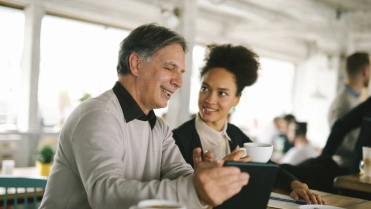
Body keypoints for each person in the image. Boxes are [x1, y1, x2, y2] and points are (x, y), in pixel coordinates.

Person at [39, 24, 249, 209]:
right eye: (169, 68)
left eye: (181, 73)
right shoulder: (98, 116)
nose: (178, 82)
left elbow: (179, 174)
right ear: (136, 64)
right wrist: (195, 189)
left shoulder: (159, 127)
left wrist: (207, 176)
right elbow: (105, 196)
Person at [173, 44, 325, 204]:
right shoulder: (178, 140)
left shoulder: (235, 134)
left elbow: (266, 165)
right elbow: (177, 192)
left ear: (236, 99)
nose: (210, 99)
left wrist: (296, 184)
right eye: (205, 88)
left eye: (222, 93)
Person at [281, 97, 371, 193]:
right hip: (357, 172)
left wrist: (325, 157)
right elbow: (341, 125)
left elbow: (341, 125)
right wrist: (325, 157)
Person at [327, 52, 370, 168]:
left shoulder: (353, 100)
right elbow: (338, 141)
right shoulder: (344, 101)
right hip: (343, 168)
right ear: (365, 71)